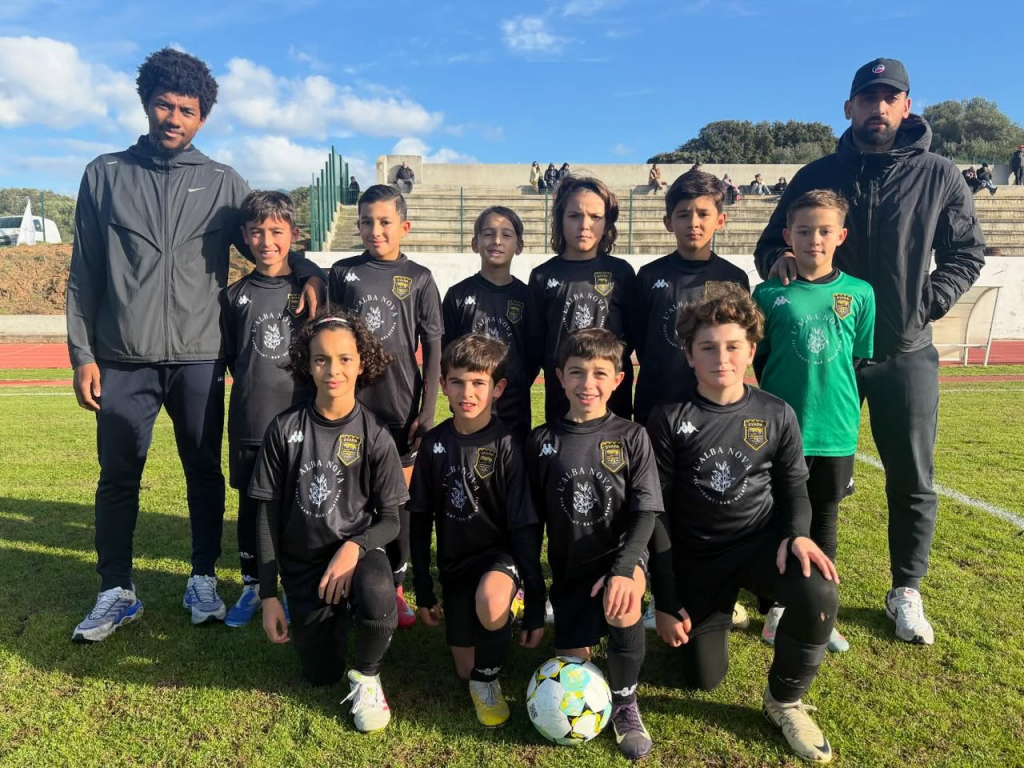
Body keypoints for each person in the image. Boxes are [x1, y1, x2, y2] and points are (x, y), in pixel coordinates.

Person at [66, 48, 323, 644]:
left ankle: (203, 577)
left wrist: (309, 271)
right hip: (122, 357)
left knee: (204, 473)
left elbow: (269, 237)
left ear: (202, 117)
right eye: (164, 105)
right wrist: (82, 355)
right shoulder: (104, 174)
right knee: (118, 475)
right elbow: (84, 275)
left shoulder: (224, 182)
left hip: (201, 357)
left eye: (187, 110)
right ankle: (115, 590)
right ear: (146, 104)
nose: (174, 118)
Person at [754, 57, 985, 646]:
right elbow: (768, 244)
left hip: (905, 351)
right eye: (867, 97)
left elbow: (966, 253)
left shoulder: (939, 174)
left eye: (890, 97)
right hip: (822, 358)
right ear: (849, 106)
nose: (878, 107)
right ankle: (788, 592)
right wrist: (779, 262)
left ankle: (906, 588)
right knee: (795, 476)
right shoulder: (818, 173)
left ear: (907, 106)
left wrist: (925, 303)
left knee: (911, 477)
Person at [647, 285, 840, 764]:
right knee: (702, 679)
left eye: (733, 346)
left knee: (818, 590)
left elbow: (795, 490)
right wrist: (666, 600)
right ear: (689, 355)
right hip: (698, 559)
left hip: (758, 547)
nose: (722, 358)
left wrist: (797, 535)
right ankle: (717, 609)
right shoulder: (668, 418)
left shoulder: (776, 413)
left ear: (752, 350)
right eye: (708, 347)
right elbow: (658, 514)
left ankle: (785, 701)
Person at [250, 310, 407, 732]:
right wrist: (269, 596)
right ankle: (331, 618)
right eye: (321, 359)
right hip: (304, 568)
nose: (333, 369)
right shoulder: (283, 430)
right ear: (308, 364)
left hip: (357, 555)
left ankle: (368, 676)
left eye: (344, 358)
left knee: (378, 591)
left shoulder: (375, 434)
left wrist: (355, 546)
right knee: (320, 674)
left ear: (361, 364)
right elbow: (265, 517)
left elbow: (391, 520)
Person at [526, 328, 662, 760]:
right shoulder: (541, 441)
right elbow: (530, 523)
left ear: (618, 380)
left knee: (622, 601)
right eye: (577, 372)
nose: (588, 384)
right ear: (559, 378)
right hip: (570, 571)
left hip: (620, 560)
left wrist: (624, 568)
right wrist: (533, 592)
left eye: (600, 373)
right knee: (574, 669)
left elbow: (646, 513)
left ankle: (625, 703)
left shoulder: (632, 436)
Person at [752, 189, 876, 654]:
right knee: (777, 517)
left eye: (825, 231)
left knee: (824, 520)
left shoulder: (860, 293)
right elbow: (761, 358)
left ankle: (819, 613)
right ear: (788, 236)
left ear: (841, 236)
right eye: (804, 231)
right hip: (781, 432)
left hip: (836, 430)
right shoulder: (767, 293)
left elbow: (857, 361)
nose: (814, 240)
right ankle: (775, 608)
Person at [409, 334, 546, 728]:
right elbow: (419, 518)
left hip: (498, 558)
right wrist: (424, 588)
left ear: (497, 388)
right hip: (455, 564)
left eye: (478, 383)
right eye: (457, 382)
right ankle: (491, 622)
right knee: (463, 669)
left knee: (489, 606)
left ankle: (489, 677)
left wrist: (536, 597)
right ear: (442, 385)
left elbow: (523, 525)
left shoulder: (507, 444)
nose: (467, 393)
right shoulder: (434, 444)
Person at [328, 184, 443, 629]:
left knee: (399, 503)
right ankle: (348, 577)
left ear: (404, 226)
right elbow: (329, 336)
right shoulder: (343, 272)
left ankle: (395, 583)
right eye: (366, 222)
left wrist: (427, 411)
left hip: (401, 410)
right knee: (351, 494)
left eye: (384, 222)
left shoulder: (419, 277)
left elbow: (434, 348)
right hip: (351, 409)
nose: (375, 230)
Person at [220, 191, 317, 627]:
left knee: (297, 506)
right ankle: (251, 585)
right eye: (257, 232)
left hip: (300, 421)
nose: (266, 241)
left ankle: (292, 586)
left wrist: (311, 272)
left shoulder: (310, 289)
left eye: (276, 231)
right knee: (251, 506)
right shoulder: (233, 296)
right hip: (250, 421)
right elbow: (230, 359)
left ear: (293, 234)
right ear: (244, 235)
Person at [632, 170, 750, 426]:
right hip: (656, 403)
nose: (693, 222)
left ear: (720, 220)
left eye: (703, 213)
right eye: (683, 214)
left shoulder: (733, 278)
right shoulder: (649, 276)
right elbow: (640, 339)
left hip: (714, 407)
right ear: (668, 222)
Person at [528, 176, 637, 423]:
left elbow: (632, 335)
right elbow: (537, 343)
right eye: (574, 215)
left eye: (595, 217)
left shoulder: (621, 272)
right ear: (560, 220)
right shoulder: (543, 276)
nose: (584, 225)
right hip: (562, 398)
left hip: (612, 400)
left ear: (607, 224)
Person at [442, 206, 542, 443]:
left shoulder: (527, 297)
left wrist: (515, 384)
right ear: (475, 243)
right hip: (469, 409)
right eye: (488, 234)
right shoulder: (457, 295)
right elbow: (446, 352)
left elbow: (534, 355)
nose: (497, 241)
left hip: (514, 413)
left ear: (519, 246)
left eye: (506, 235)